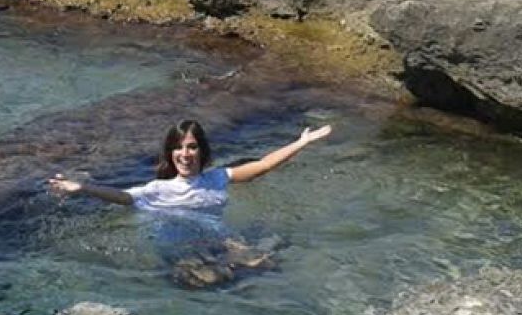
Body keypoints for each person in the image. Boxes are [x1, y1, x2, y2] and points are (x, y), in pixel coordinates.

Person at [48, 120, 331, 286]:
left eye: (192, 147)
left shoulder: (218, 178)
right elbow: (122, 197)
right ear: (171, 153)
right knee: (203, 282)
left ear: (201, 151)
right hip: (180, 249)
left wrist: (302, 142)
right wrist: (83, 188)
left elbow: (264, 165)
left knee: (268, 267)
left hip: (221, 241)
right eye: (179, 147)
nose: (185, 154)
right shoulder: (157, 189)